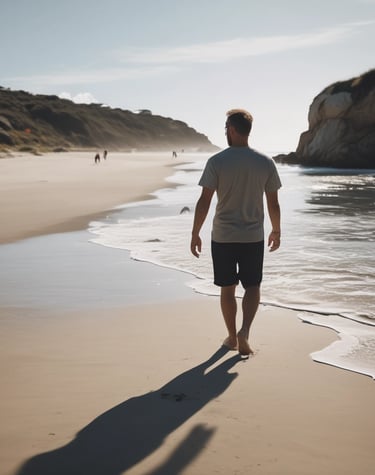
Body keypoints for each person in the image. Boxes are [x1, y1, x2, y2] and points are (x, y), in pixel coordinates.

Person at [190, 109, 282, 356]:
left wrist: (195, 233)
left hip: (223, 237)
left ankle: (231, 337)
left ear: (231, 129)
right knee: (252, 286)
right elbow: (273, 203)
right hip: (253, 237)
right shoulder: (265, 162)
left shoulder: (217, 161)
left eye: (225, 128)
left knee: (227, 288)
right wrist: (276, 230)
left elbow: (204, 201)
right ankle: (245, 333)